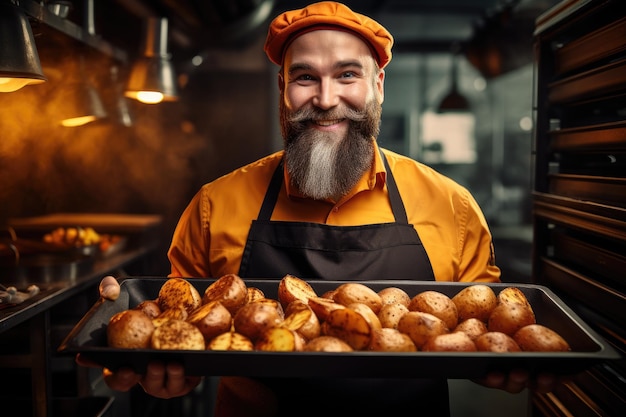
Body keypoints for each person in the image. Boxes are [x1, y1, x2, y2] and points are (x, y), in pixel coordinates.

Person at [79, 2, 557, 416]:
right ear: (282, 88)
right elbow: (179, 328)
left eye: (348, 74)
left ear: (379, 86)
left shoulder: (451, 206)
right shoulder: (213, 205)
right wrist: (145, 353)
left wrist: (504, 367)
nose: (327, 100)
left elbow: (484, 331)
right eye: (306, 77)